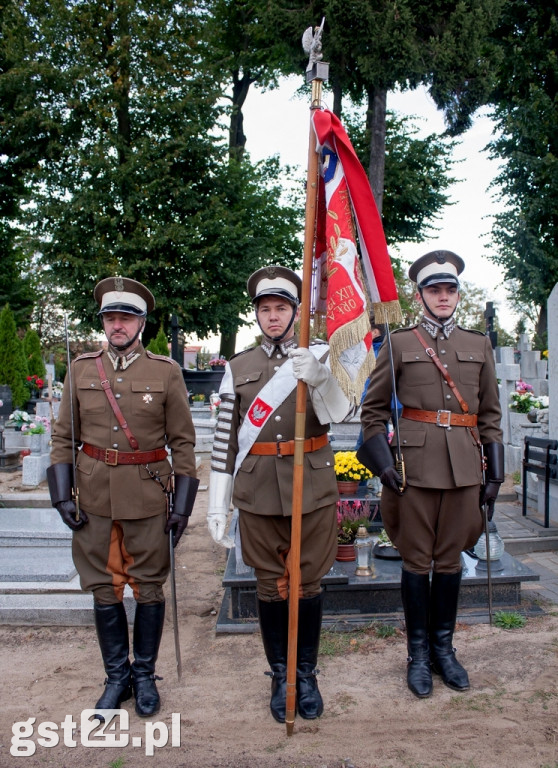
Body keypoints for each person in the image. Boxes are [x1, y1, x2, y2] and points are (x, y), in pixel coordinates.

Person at [47, 277, 198, 718]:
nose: (117, 325)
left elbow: (184, 443)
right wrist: (61, 496)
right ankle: (118, 677)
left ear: (141, 324)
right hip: (93, 497)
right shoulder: (81, 369)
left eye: (126, 318)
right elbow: (62, 438)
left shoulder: (165, 372)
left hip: (149, 495)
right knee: (103, 587)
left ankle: (146, 675)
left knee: (149, 587)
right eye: (111, 318)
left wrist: (183, 506)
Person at [206, 265, 351, 723]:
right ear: (257, 315)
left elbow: (341, 415)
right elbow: (225, 438)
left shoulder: (318, 358)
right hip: (258, 488)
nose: (273, 317)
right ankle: (279, 674)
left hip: (311, 483)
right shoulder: (238, 367)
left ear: (295, 312)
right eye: (265, 309)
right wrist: (216, 502)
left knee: (307, 582)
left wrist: (322, 378)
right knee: (270, 585)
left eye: (281, 308)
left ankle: (305, 674)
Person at [357, 250, 503, 698]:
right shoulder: (400, 343)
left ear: (457, 294)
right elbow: (373, 412)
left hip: (464, 468)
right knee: (417, 563)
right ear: (419, 295)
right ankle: (418, 655)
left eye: (450, 289)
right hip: (412, 470)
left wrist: (494, 474)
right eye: (434, 289)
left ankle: (445, 650)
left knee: (451, 561)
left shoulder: (479, 344)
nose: (443, 296)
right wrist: (383, 466)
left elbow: (491, 415)